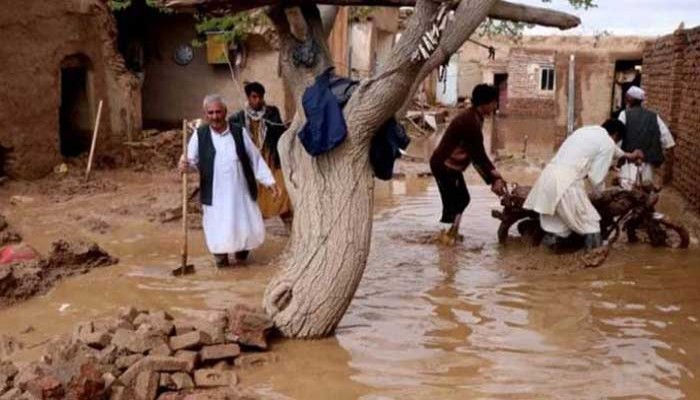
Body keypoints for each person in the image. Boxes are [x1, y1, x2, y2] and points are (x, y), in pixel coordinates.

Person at [179, 94, 280, 267]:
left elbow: (255, 158)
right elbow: (190, 161)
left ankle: (241, 259)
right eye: (210, 113)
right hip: (215, 195)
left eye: (218, 112)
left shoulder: (239, 132)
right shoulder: (200, 135)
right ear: (205, 115)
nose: (215, 116)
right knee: (218, 231)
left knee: (243, 229)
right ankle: (222, 262)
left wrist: (269, 182)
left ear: (225, 112)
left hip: (240, 193)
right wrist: (184, 165)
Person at [523, 119, 642, 250]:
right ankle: (593, 262)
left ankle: (540, 255)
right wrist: (603, 194)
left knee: (560, 225)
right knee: (592, 224)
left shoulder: (585, 131)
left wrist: (628, 156)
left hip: (548, 178)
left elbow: (612, 150)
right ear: (616, 135)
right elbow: (596, 179)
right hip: (567, 184)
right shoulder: (608, 142)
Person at [430, 84, 507, 243]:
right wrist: (494, 179)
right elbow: (478, 155)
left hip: (448, 165)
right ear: (485, 103)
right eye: (494, 102)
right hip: (445, 166)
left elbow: (476, 156)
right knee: (460, 200)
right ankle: (448, 238)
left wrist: (493, 178)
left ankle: (450, 234)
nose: (495, 106)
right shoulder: (469, 122)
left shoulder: (475, 117)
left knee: (461, 199)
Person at [229, 82, 292, 231]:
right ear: (248, 97)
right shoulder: (238, 117)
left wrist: (284, 128)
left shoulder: (271, 113)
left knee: (280, 191)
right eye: (254, 97)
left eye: (260, 97)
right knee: (251, 196)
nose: (258, 100)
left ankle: (291, 229)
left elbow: (279, 132)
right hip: (250, 161)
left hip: (269, 157)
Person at [617, 85, 675, 189]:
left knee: (627, 192)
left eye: (627, 97)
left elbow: (618, 138)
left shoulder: (624, 114)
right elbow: (668, 141)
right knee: (645, 191)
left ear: (629, 99)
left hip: (629, 162)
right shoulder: (654, 116)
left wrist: (618, 155)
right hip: (647, 163)